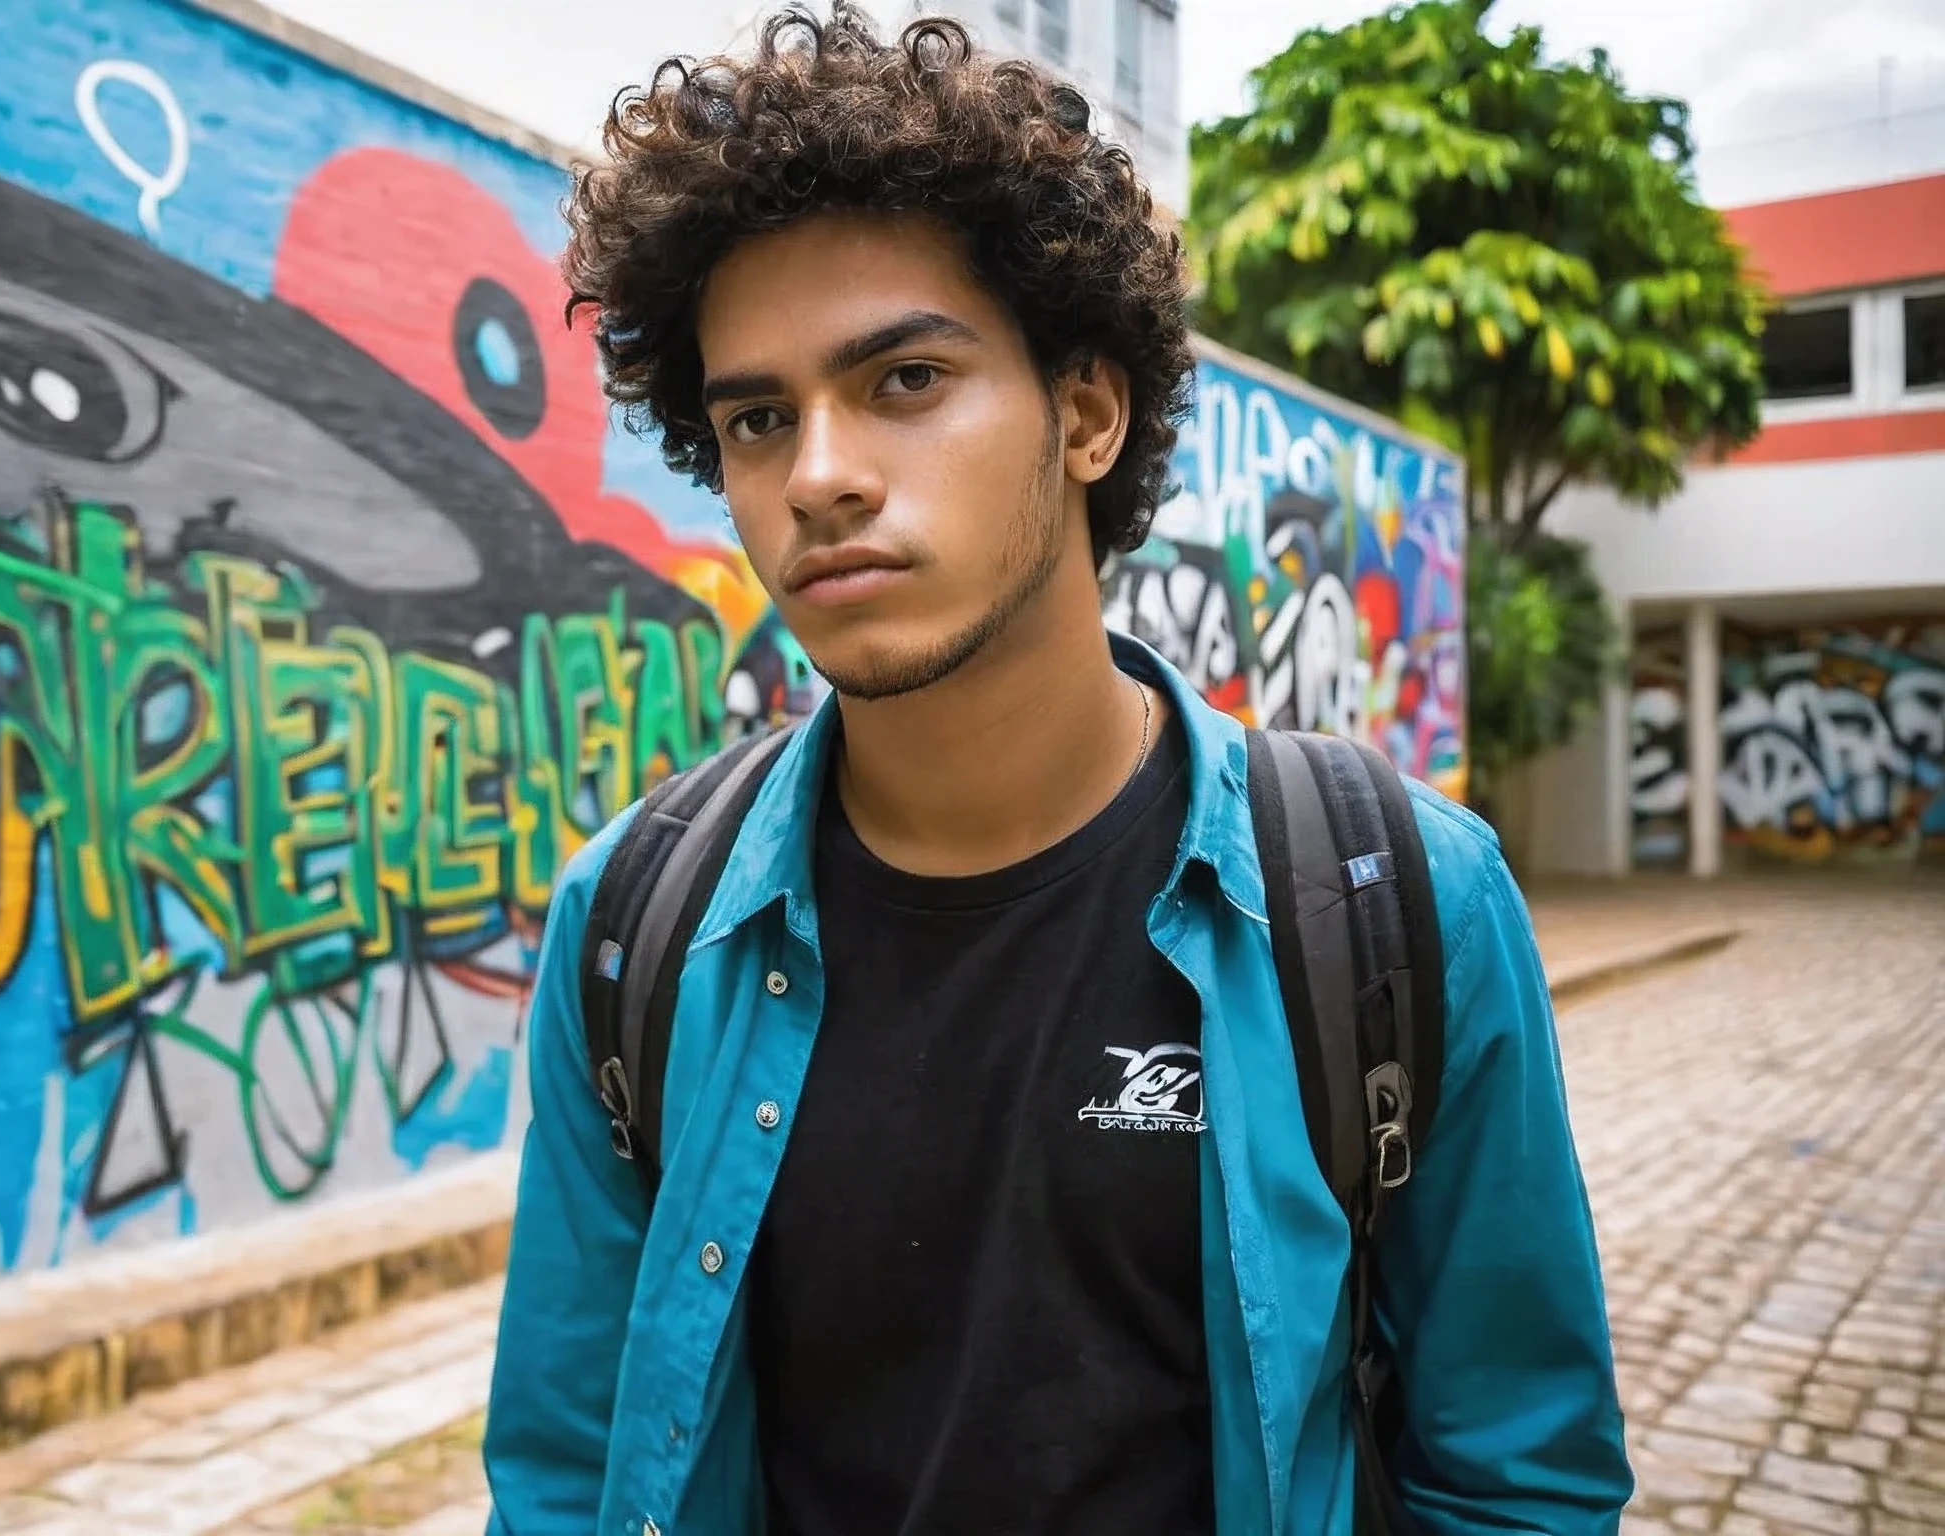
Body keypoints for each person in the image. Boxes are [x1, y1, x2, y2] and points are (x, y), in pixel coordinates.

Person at [479, 6, 1632, 1534]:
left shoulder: (1393, 898)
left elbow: (1519, 1479)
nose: (818, 473)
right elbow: (566, 1477)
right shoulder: (637, 921)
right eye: (757, 417)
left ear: (1086, 413)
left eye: (902, 380)